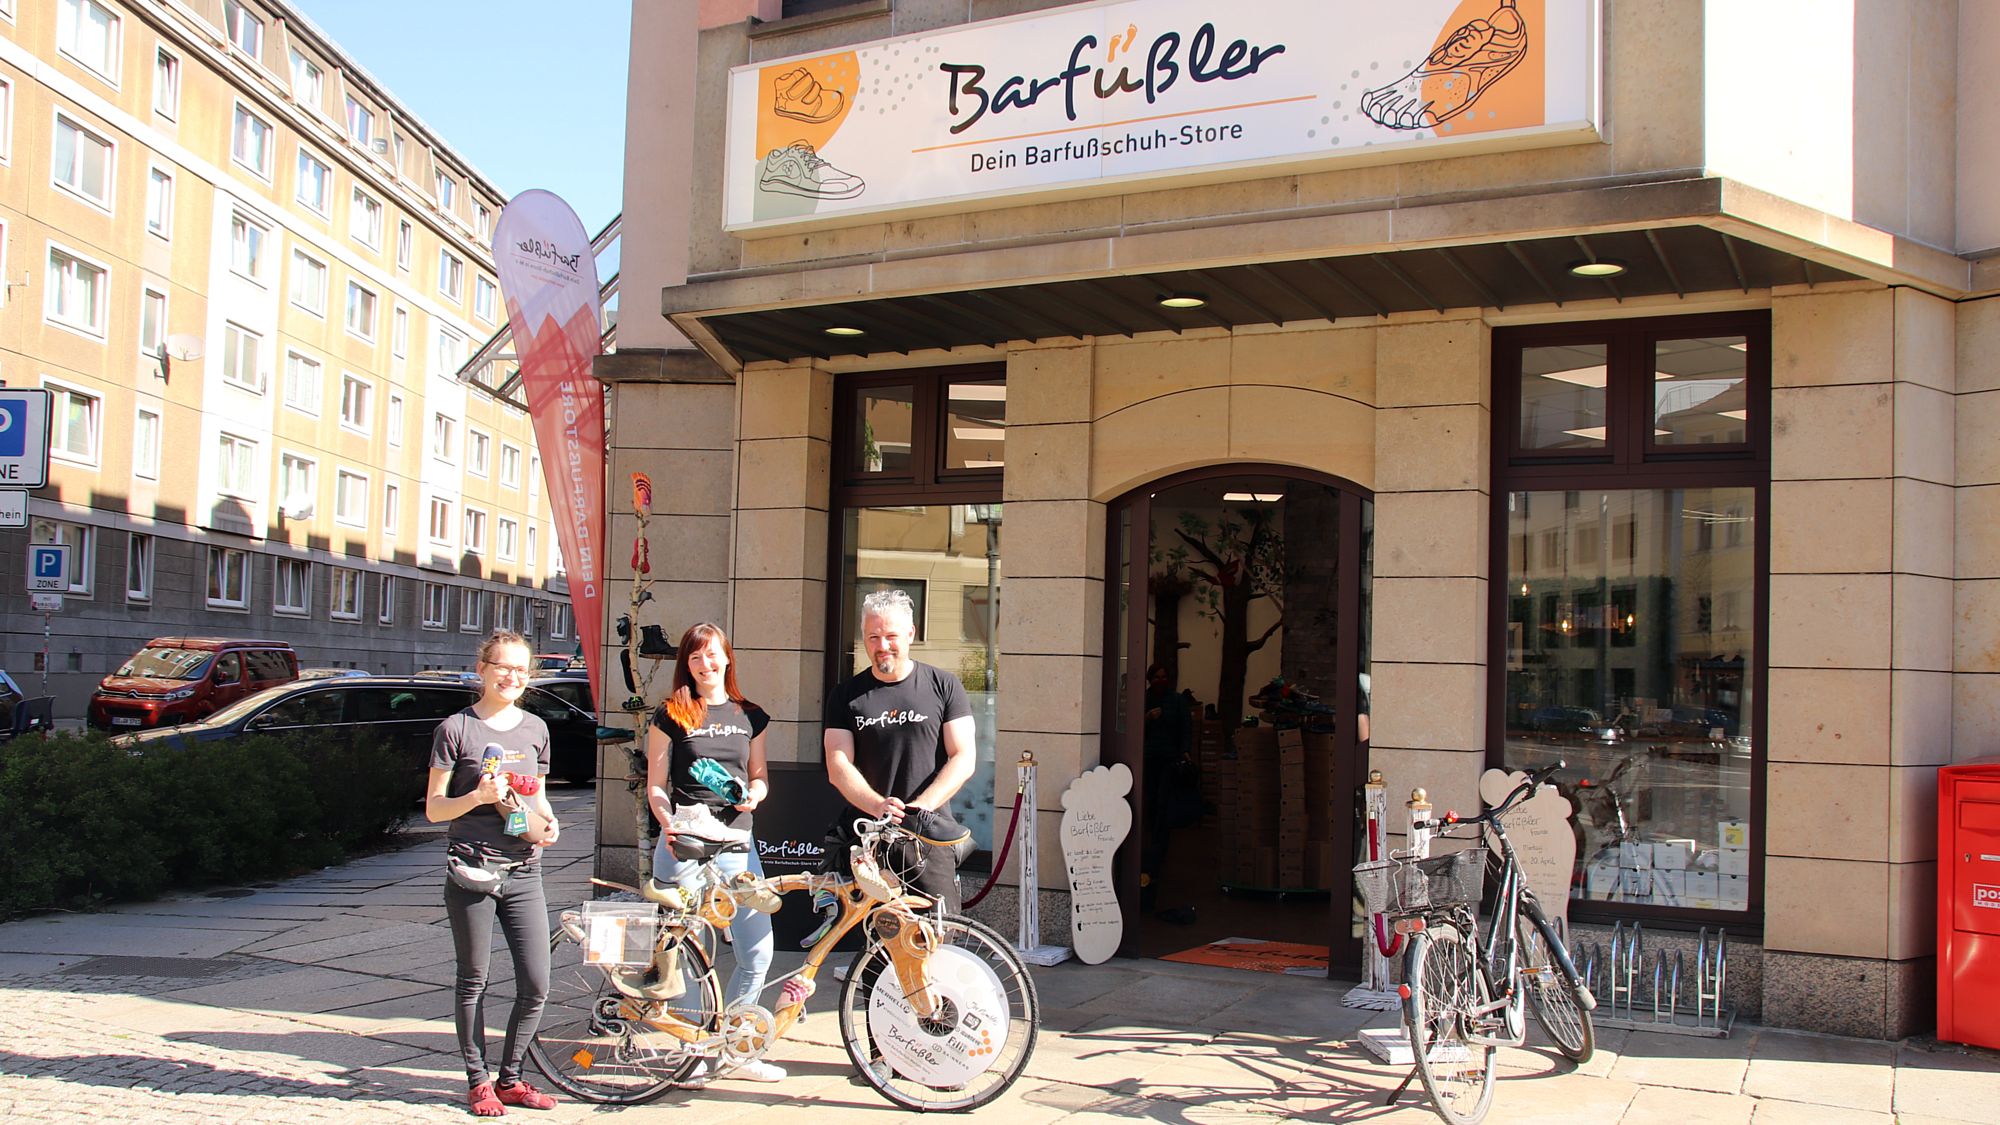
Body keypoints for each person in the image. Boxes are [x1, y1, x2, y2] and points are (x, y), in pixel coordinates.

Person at [426, 630, 560, 1117]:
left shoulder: (535, 730)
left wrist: (549, 825)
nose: (512, 677)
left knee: (537, 982)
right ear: (482, 669)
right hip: (473, 870)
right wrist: (477, 799)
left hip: (525, 869)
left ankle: (512, 1077)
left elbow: (537, 798)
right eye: (503, 667)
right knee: (474, 979)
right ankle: (478, 1080)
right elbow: (435, 810)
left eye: (521, 670)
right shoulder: (456, 730)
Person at [644, 622, 785, 1084]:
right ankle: (695, 1052)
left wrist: (755, 795)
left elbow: (760, 774)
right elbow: (656, 786)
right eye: (696, 657)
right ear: (687, 664)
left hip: (737, 845)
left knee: (757, 951)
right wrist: (667, 822)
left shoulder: (752, 715)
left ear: (728, 658)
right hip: (683, 845)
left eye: (713, 655)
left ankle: (735, 1048)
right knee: (690, 954)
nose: (706, 664)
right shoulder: (671, 714)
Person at [822, 588, 976, 912]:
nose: (882, 646)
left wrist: (920, 809)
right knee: (873, 947)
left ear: (910, 633)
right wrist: (878, 805)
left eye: (891, 635)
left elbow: (964, 757)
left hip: (928, 839)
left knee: (936, 939)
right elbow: (838, 764)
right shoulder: (846, 695)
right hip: (867, 838)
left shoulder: (944, 685)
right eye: (873, 636)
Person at [1139, 662, 1195, 915]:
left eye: (1164, 676)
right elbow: (1132, 728)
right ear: (1150, 679)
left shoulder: (1177, 701)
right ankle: (1150, 831)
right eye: (1157, 677)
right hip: (1147, 757)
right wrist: (1147, 719)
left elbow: (1186, 728)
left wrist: (1185, 751)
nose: (1160, 680)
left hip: (1169, 758)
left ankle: (1161, 834)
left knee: (1164, 799)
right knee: (1149, 798)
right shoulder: (1145, 699)